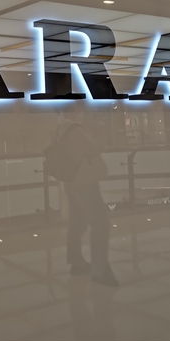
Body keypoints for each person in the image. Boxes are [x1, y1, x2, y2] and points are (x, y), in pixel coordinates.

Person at [55, 107, 118, 287]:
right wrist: (99, 132)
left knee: (77, 222)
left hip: (71, 181)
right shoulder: (76, 129)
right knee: (101, 223)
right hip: (85, 182)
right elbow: (95, 148)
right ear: (76, 111)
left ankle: (76, 262)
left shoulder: (62, 129)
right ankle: (100, 270)